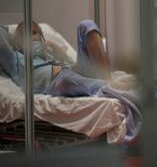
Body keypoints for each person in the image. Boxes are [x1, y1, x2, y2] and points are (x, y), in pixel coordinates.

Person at [0, 20, 140, 142]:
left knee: (86, 25)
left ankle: (107, 79)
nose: (30, 38)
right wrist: (10, 35)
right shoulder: (14, 59)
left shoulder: (49, 54)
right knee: (66, 79)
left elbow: (72, 64)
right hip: (55, 82)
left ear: (41, 38)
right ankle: (115, 86)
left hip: (73, 71)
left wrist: (57, 51)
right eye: (24, 34)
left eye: (34, 33)